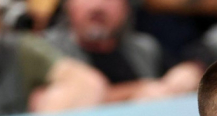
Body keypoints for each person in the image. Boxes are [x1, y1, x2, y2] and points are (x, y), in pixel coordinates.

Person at [44, 0, 204, 102]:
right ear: (67, 6)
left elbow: (174, 81)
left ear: (127, 8)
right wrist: (135, 91)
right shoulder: (46, 49)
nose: (97, 6)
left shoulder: (144, 48)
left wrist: (189, 72)